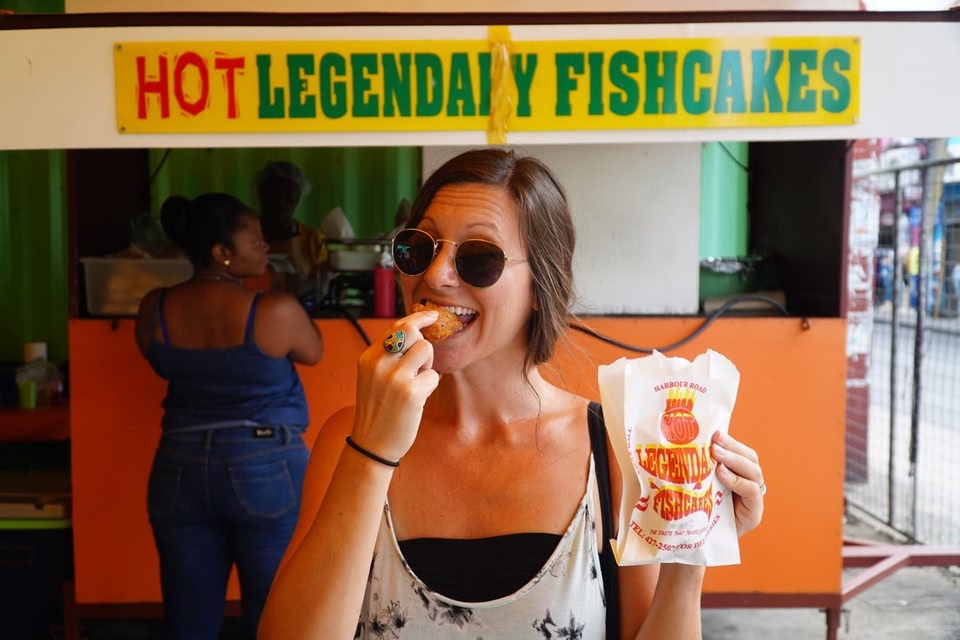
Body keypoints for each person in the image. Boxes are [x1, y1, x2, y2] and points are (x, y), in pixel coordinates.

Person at [258, 149, 765, 639]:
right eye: (420, 247)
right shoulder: (349, 437)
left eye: (479, 258)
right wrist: (371, 452)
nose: (434, 276)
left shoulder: (611, 449)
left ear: (542, 289)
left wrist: (692, 547)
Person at [134, 192, 325, 640]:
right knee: (274, 612)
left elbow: (153, 355)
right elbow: (314, 352)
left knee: (189, 617)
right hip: (265, 466)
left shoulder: (154, 309)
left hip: (177, 465)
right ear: (221, 253)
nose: (266, 248)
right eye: (256, 241)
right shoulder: (273, 310)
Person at [255, 160, 328, 294]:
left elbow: (323, 285)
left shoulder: (313, 240)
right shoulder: (246, 238)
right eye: (274, 195)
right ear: (261, 195)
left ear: (298, 199)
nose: (281, 202)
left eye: (289, 196)